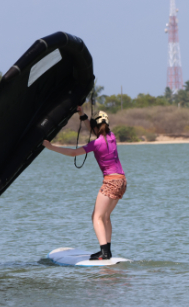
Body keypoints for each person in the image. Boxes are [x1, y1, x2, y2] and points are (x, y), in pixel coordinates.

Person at [42, 107, 127, 260]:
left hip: (110, 182)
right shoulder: (112, 136)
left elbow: (74, 153)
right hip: (122, 180)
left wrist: (51, 147)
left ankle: (104, 252)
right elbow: (92, 127)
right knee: (106, 216)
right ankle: (107, 250)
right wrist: (82, 115)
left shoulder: (96, 144)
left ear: (96, 127)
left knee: (96, 217)